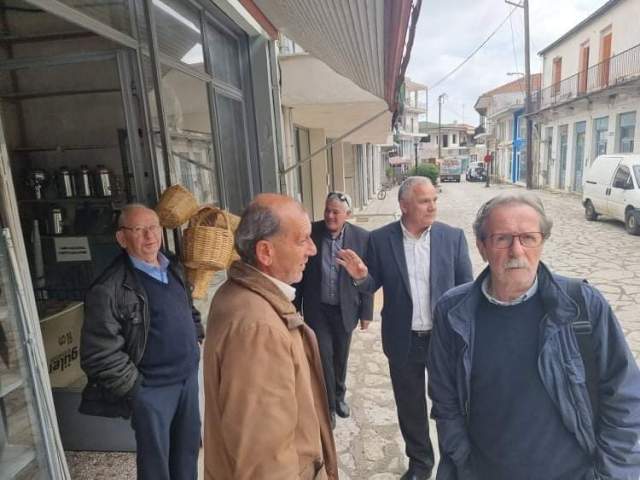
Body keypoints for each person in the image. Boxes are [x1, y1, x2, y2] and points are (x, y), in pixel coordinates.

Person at [428, 192, 640, 480]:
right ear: (481, 247)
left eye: (528, 238)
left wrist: (609, 474)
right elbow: (445, 401)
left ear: (542, 242)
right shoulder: (452, 312)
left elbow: (625, 397)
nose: (517, 251)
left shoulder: (583, 305)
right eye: (502, 238)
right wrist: (465, 466)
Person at [337, 176, 473, 480]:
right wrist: (361, 276)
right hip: (403, 339)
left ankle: (453, 463)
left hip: (444, 341)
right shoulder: (381, 239)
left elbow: (467, 290)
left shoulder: (452, 238)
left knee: (449, 405)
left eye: (434, 200)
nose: (432, 206)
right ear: (404, 205)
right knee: (410, 406)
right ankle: (420, 464)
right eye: (425, 201)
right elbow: (372, 284)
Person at [203, 193, 338, 480]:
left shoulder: (244, 294)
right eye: (302, 240)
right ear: (265, 252)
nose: (313, 249)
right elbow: (265, 461)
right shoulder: (258, 327)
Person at [80, 204, 203, 480]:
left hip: (187, 381)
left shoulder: (172, 266)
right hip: (152, 390)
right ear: (122, 238)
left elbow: (188, 309)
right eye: (139, 229)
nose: (150, 236)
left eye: (154, 227)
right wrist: (138, 391)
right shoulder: (109, 288)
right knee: (156, 466)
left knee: (187, 455)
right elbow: (99, 353)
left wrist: (197, 337)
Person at [294, 191, 373, 428]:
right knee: (324, 357)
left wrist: (366, 312)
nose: (329, 215)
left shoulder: (362, 238)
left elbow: (366, 277)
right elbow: (300, 272)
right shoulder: (312, 232)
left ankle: (339, 395)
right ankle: (328, 406)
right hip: (318, 309)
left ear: (347, 214)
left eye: (335, 212)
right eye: (327, 210)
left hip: (345, 309)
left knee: (341, 356)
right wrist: (294, 306)